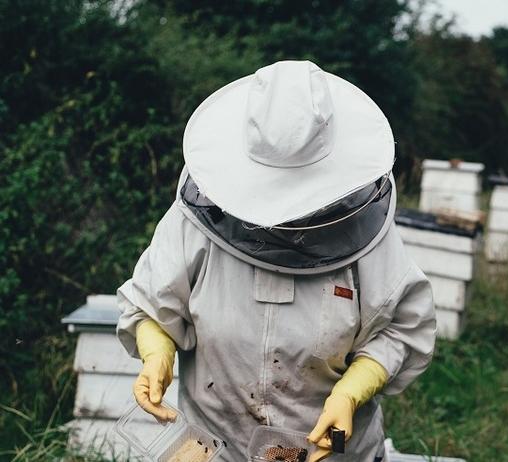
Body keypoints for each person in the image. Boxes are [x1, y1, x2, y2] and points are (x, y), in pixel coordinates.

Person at [115, 60, 436, 461]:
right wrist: (157, 354)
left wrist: (352, 391)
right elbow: (151, 304)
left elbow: (401, 328)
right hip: (212, 449)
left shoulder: (370, 241)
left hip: (330, 453)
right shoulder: (193, 226)